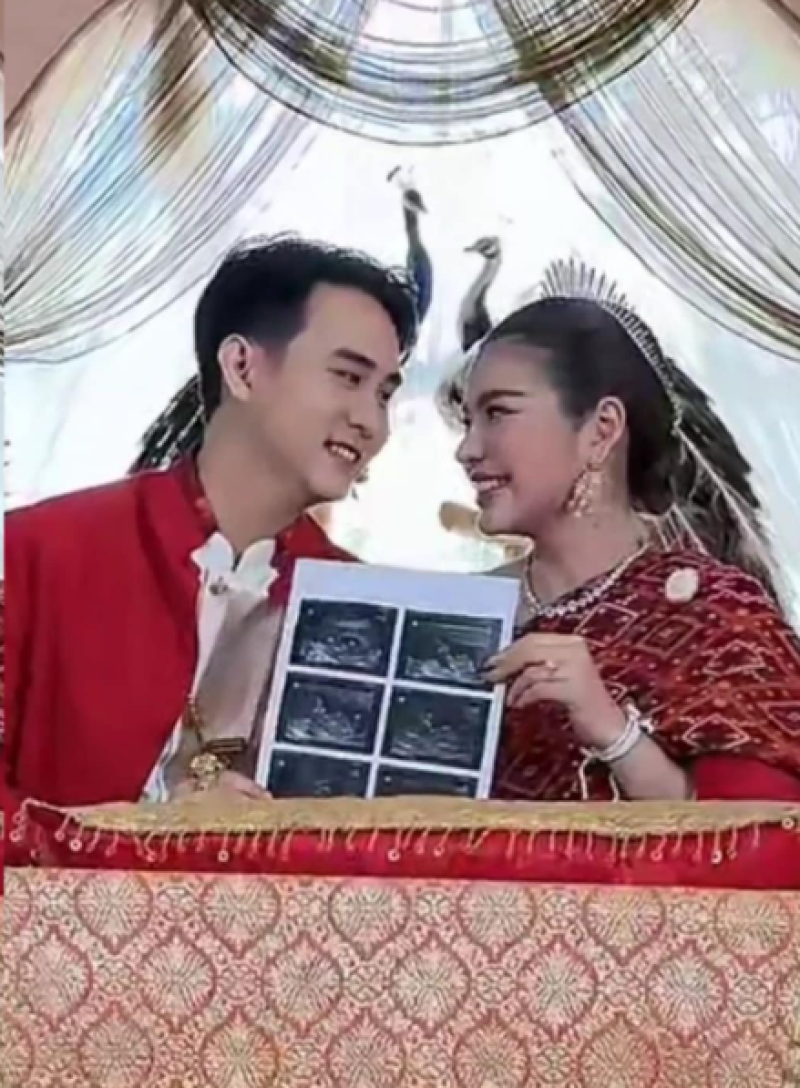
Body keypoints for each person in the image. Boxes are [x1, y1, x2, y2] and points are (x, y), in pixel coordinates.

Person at [2, 235, 418, 814]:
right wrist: (151, 831)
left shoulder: (361, 605)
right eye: (348, 378)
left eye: (385, 395)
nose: (371, 421)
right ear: (242, 367)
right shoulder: (36, 553)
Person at [448, 259, 800, 802]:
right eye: (468, 420)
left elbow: (756, 836)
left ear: (602, 429)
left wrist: (615, 732)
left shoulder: (717, 618)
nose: (467, 449)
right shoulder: (456, 614)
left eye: (498, 413)